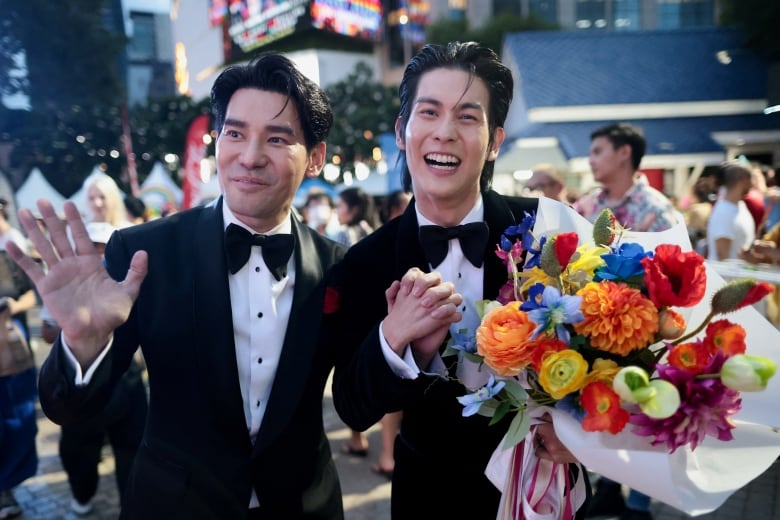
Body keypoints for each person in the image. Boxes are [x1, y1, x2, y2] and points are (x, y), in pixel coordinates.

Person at [7, 53, 347, 518]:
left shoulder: (340, 265)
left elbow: (360, 398)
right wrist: (83, 345)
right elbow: (71, 410)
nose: (250, 156)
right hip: (175, 503)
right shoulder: (144, 253)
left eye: (277, 137)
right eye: (235, 133)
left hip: (303, 504)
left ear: (315, 157)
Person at [326, 41, 586, 519]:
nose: (445, 132)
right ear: (403, 131)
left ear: (494, 141)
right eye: (429, 112)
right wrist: (396, 338)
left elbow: (609, 353)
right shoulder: (364, 262)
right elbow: (352, 406)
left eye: (468, 117)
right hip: (431, 496)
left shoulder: (553, 232)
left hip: (548, 487)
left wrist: (587, 438)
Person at [40, 221, 148, 516]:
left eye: (105, 247)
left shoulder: (135, 280)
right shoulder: (67, 282)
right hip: (84, 388)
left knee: (132, 453)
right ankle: (82, 495)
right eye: (94, 246)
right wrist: (74, 331)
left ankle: (130, 502)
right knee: (81, 453)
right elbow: (46, 329)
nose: (99, 254)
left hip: (129, 384)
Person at [0, 201, 38, 520]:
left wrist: (11, 307)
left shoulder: (13, 242)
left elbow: (31, 293)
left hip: (11, 341)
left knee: (17, 415)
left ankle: (7, 486)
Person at [573, 123, 677, 233]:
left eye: (597, 152)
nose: (591, 161)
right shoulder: (587, 203)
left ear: (624, 152)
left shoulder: (656, 209)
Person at [706, 160, 754, 261]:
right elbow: (723, 257)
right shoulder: (724, 212)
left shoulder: (740, 206)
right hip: (727, 276)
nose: (752, 184)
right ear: (743, 180)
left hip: (741, 275)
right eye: (751, 179)